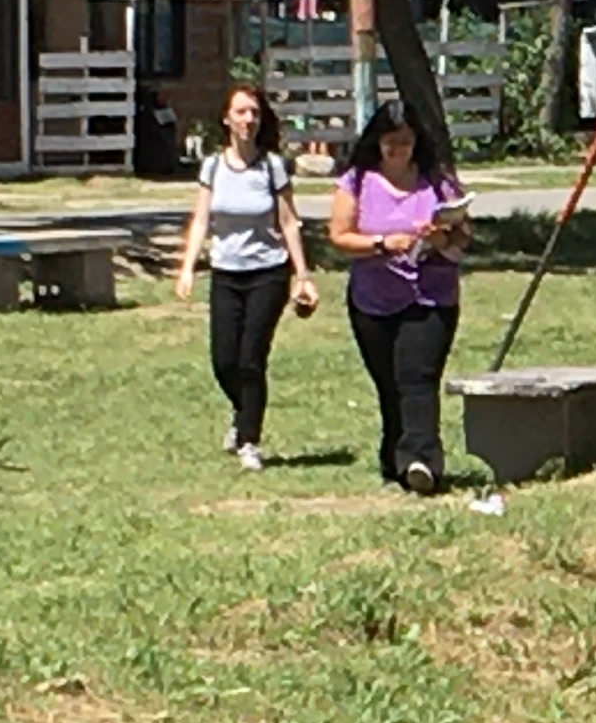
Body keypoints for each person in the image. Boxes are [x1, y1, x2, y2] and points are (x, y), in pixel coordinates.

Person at [326, 91, 470, 494]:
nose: (398, 148)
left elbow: (464, 231)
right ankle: (395, 458)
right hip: (374, 298)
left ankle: (423, 459)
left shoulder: (437, 181)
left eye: (406, 140)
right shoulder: (356, 181)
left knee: (418, 378)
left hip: (431, 295)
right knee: (389, 383)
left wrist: (442, 235)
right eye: (391, 140)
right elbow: (338, 235)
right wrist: (381, 244)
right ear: (377, 141)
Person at [173, 82, 317, 468]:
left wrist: (303, 276)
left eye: (254, 112)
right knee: (224, 361)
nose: (248, 119)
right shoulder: (213, 166)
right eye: (241, 112)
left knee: (251, 359)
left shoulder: (272, 167)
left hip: (268, 272)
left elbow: (289, 222)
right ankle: (243, 414)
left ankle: (249, 439)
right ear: (226, 119)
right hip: (226, 273)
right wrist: (188, 266)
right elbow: (202, 219)